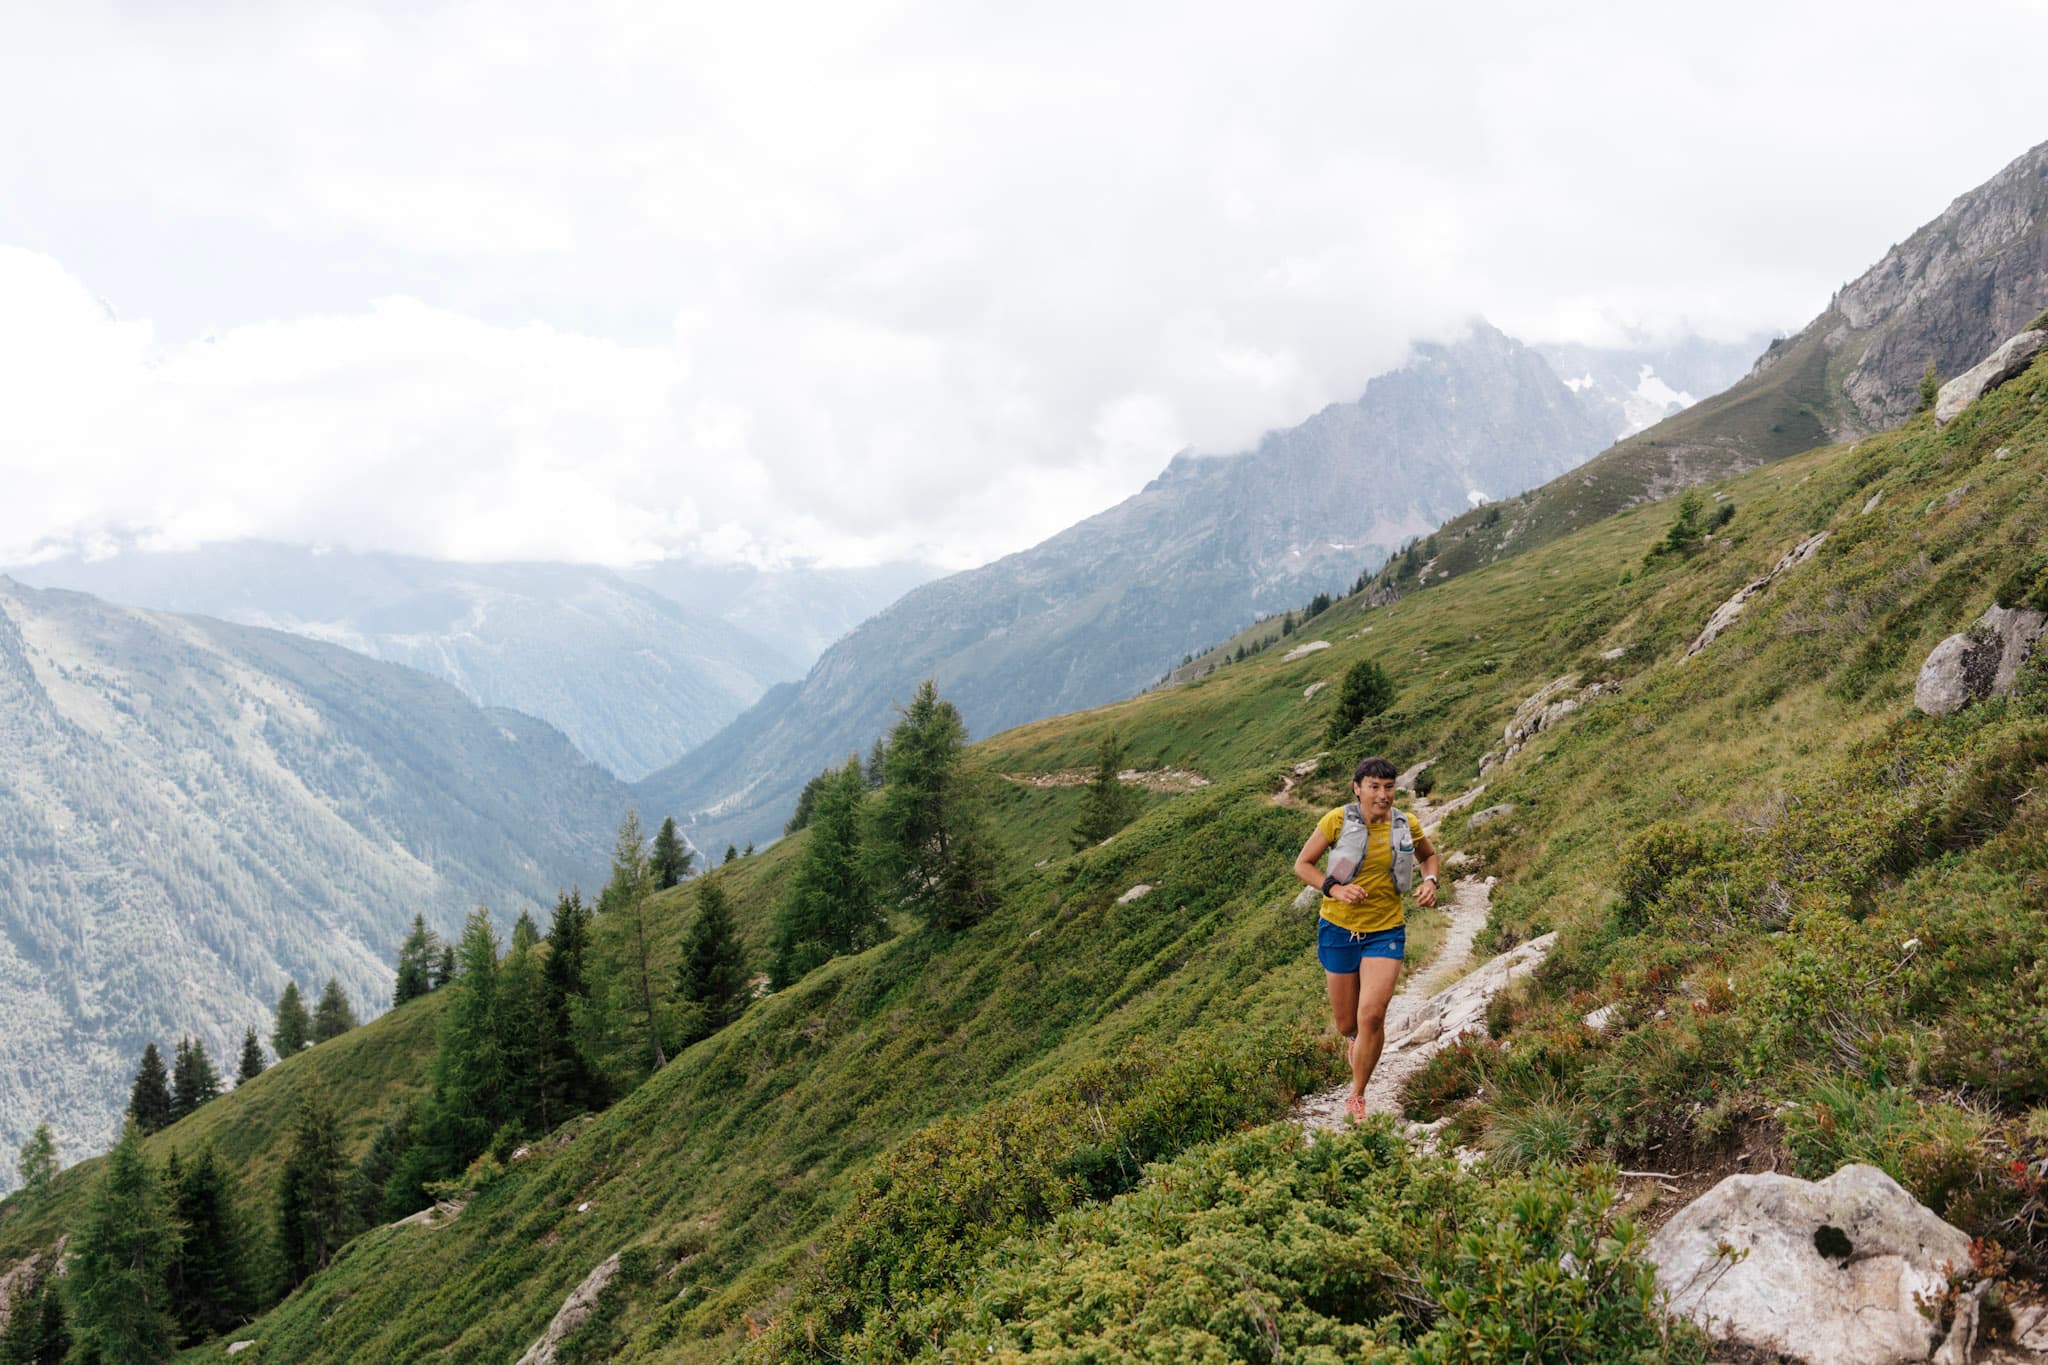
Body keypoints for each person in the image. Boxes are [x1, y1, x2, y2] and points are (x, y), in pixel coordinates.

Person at [1293, 755, 1439, 1122]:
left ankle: (1356, 1094)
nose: (1383, 794)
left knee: (1372, 1014)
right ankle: (1354, 1042)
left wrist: (1430, 881)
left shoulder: (1407, 824)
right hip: (1338, 929)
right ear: (1357, 789)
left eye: (1388, 787)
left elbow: (1429, 857)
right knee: (1348, 1024)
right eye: (1374, 786)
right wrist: (1335, 890)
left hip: (1386, 930)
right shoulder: (1337, 821)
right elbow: (1303, 865)